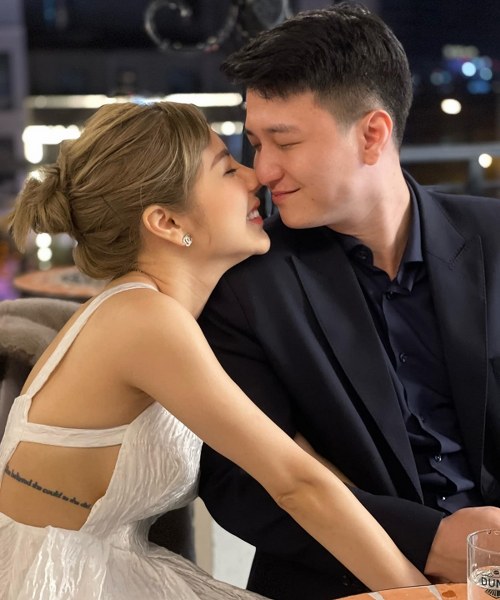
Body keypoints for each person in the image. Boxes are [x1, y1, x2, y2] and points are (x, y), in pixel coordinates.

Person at [0, 100, 427, 599]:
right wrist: (422, 596)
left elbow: (299, 458)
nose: (254, 177)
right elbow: (294, 484)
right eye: (227, 169)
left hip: (107, 568)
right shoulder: (145, 321)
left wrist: (426, 560)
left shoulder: (166, 314)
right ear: (165, 221)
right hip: (53, 583)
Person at [197, 3, 500, 600]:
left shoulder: (493, 237)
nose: (263, 170)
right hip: (341, 584)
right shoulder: (245, 285)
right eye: (254, 142)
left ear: (372, 134)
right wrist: (432, 542)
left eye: (284, 141)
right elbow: (240, 484)